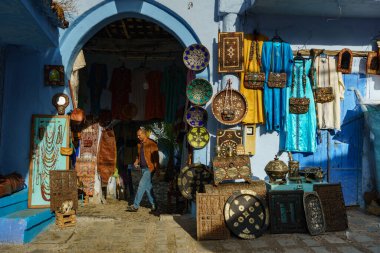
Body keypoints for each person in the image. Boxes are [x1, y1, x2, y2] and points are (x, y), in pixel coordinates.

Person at [127, 127, 159, 212]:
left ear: (144, 134)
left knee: (141, 185)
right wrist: (136, 161)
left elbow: (156, 158)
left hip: (150, 168)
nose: (138, 137)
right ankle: (154, 205)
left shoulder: (152, 144)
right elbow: (138, 155)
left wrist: (157, 170)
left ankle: (135, 205)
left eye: (139, 135)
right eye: (137, 135)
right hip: (143, 169)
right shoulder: (139, 145)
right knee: (148, 187)